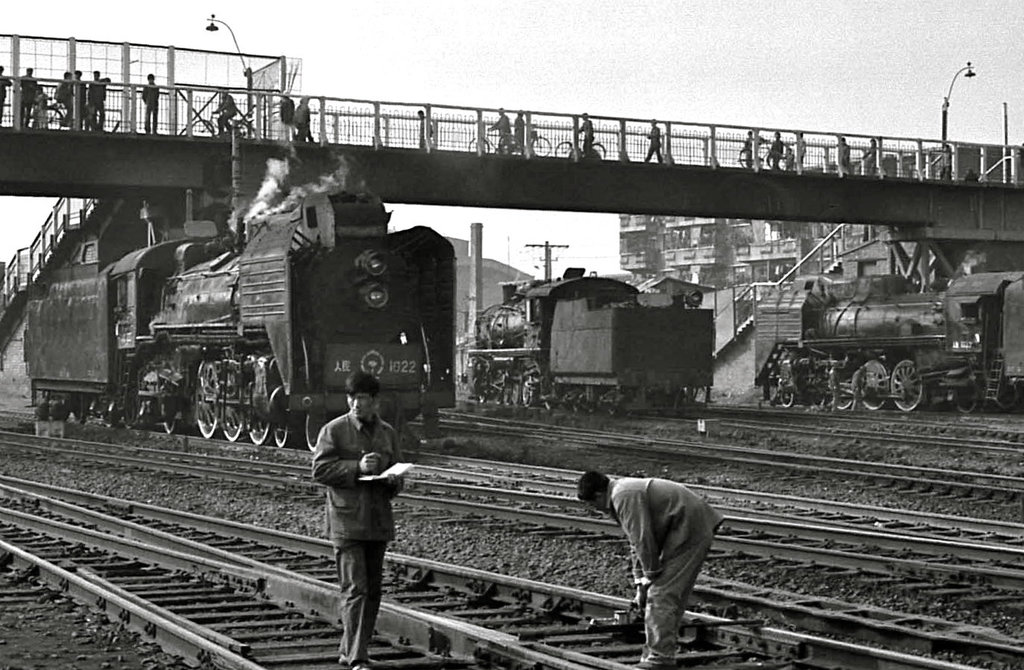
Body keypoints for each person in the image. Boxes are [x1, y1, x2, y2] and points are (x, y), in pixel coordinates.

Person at [577, 471, 722, 670]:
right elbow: (635, 542)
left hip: (689, 527)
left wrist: (651, 576)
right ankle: (660, 650)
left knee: (661, 593)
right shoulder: (620, 493)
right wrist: (640, 583)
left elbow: (642, 539)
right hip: (682, 526)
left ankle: (660, 658)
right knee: (663, 593)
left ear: (599, 495)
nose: (595, 510)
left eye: (592, 505)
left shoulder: (623, 496)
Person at [311, 371, 406, 670]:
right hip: (347, 521)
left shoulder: (387, 433)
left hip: (377, 522)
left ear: (375, 401)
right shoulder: (334, 430)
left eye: (362, 399)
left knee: (373, 591)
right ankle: (357, 658)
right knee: (355, 589)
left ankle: (350, 650)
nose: (355, 404)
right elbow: (320, 471)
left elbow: (398, 474)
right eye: (352, 398)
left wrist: (392, 479)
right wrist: (357, 467)